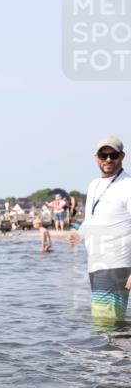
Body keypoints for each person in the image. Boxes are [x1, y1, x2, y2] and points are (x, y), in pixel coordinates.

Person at [68, 136, 131, 326]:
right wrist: (79, 234)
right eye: (104, 155)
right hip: (96, 263)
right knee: (108, 324)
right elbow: (91, 219)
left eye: (113, 155)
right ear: (97, 157)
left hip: (116, 263)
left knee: (106, 323)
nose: (108, 159)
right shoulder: (94, 185)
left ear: (122, 156)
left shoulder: (127, 185)